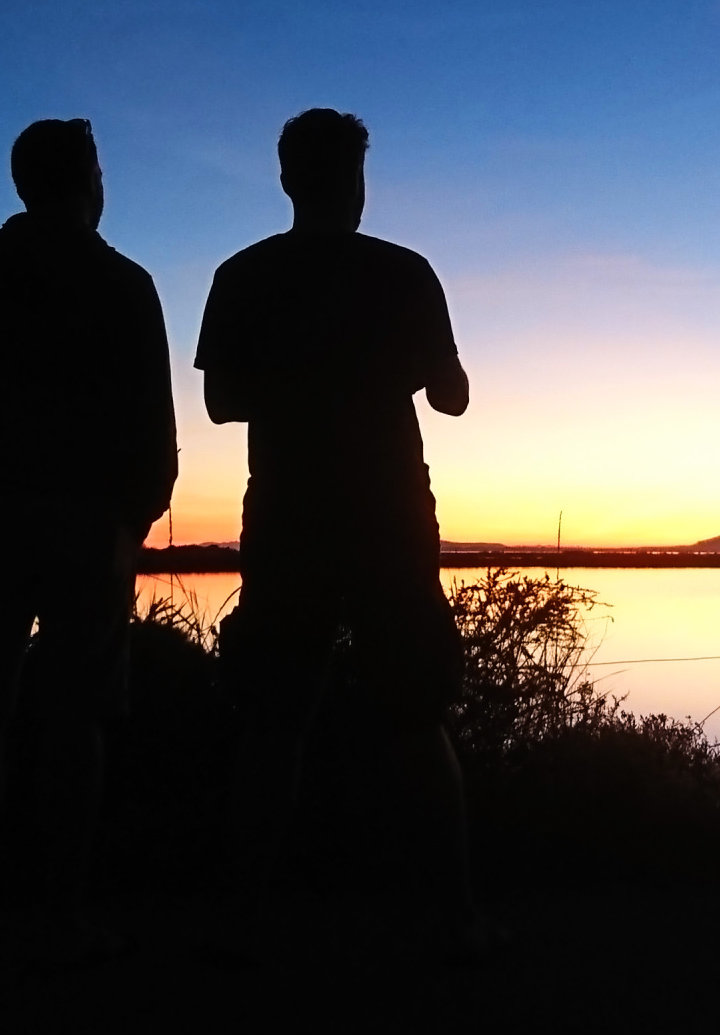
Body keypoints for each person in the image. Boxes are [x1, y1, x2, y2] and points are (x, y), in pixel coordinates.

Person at [195, 107, 488, 955]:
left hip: (289, 511)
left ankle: (243, 924)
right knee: (417, 712)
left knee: (273, 718)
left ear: (288, 179)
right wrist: (421, 371)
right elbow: (452, 398)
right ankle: (453, 917)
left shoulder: (244, 274)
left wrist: (301, 385)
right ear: (354, 180)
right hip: (390, 515)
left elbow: (222, 401)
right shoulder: (405, 273)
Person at [0, 117, 176, 962]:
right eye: (98, 169)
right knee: (76, 722)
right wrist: (131, 522)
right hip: (87, 531)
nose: (103, 185)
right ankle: (60, 912)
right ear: (83, 179)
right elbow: (155, 430)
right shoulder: (123, 283)